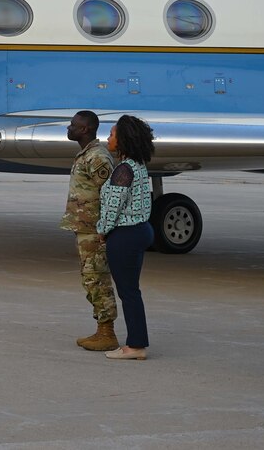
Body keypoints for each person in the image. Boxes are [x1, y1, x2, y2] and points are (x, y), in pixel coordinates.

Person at [98, 114, 156, 360]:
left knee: (128, 291)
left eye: (112, 134)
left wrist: (102, 230)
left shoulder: (123, 170)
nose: (108, 139)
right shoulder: (138, 166)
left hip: (126, 234)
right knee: (132, 290)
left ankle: (135, 346)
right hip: (140, 230)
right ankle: (136, 342)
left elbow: (113, 207)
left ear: (122, 141)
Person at [60, 110, 118, 351]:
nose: (69, 128)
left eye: (73, 125)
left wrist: (105, 228)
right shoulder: (85, 155)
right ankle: (101, 329)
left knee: (97, 278)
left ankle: (107, 332)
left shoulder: (97, 157)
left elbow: (111, 194)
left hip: (95, 230)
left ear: (85, 129)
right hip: (85, 228)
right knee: (90, 278)